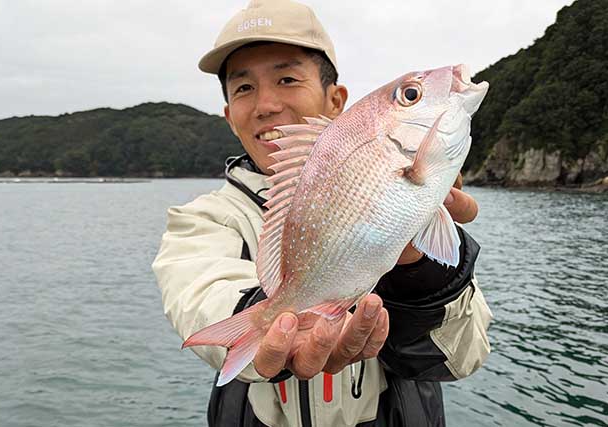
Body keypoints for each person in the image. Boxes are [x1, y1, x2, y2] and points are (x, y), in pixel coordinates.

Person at [152, 1, 493, 426]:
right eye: (243, 88)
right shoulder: (204, 219)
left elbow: (462, 358)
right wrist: (275, 315)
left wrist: (422, 269)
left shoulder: (392, 174)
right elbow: (201, 296)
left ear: (337, 101)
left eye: (287, 78)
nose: (266, 105)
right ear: (229, 117)